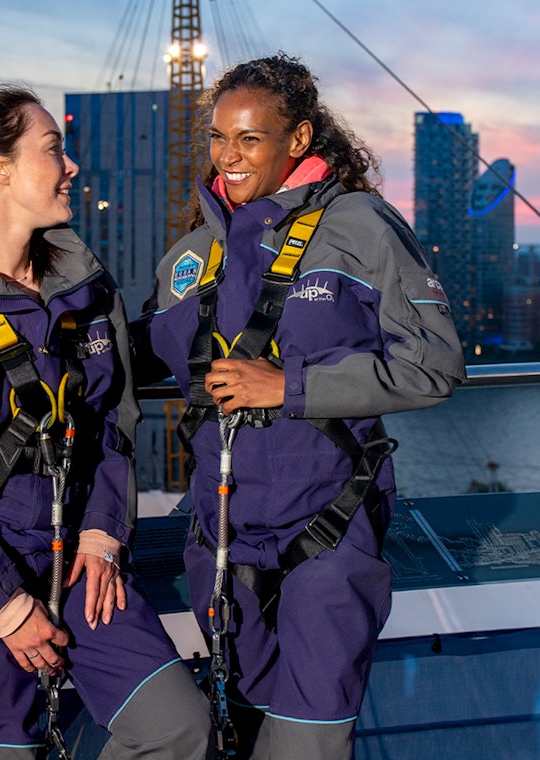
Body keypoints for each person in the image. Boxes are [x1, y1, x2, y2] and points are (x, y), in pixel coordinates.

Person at [132, 55, 466, 758]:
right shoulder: (192, 255)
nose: (228, 156)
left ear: (300, 138)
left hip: (329, 531)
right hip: (223, 543)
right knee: (243, 730)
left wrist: (289, 387)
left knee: (309, 745)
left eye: (250, 138)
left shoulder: (362, 227)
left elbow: (434, 365)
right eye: (219, 137)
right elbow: (141, 356)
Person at [0, 85, 209, 760]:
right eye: (53, 149)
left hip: (83, 566)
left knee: (179, 729)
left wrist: (106, 532)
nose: (71, 166)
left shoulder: (86, 289)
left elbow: (112, 422)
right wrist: (2, 606)